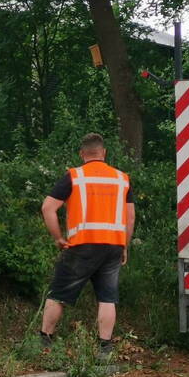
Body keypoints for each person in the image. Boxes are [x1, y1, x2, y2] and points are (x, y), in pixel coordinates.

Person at [39, 133, 135, 361]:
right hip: (112, 245)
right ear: (104, 153)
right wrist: (124, 245)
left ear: (82, 154)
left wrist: (58, 237)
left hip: (81, 245)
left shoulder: (74, 176)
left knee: (59, 293)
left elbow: (47, 208)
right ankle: (105, 347)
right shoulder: (122, 179)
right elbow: (130, 217)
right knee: (107, 297)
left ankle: (44, 340)